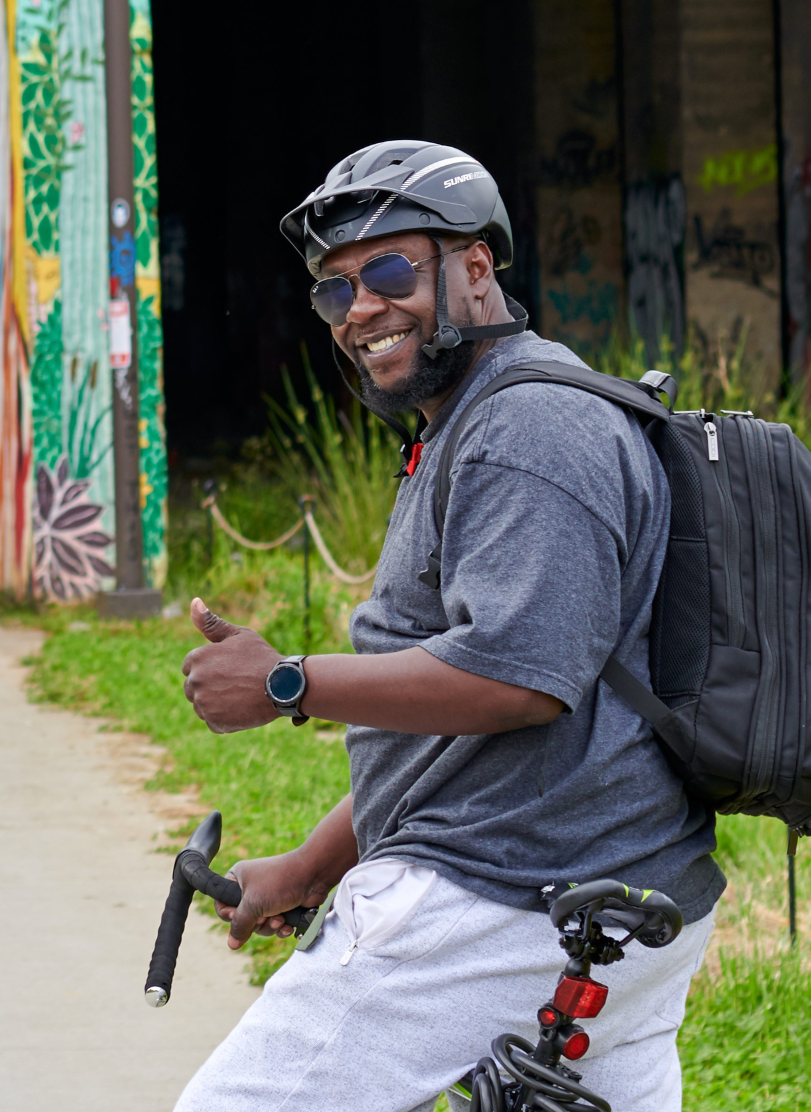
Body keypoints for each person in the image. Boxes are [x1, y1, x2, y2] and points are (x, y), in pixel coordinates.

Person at [174, 141, 721, 1112]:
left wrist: (285, 682)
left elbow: (514, 680)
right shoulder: (470, 422)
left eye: (388, 272)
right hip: (605, 898)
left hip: (502, 899)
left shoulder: (527, 430)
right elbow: (467, 725)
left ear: (474, 268)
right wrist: (308, 866)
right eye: (335, 293)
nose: (360, 311)